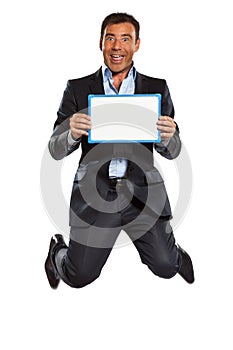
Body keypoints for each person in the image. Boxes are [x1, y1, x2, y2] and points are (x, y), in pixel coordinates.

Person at [45, 12, 194, 289]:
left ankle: (173, 255)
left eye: (125, 39)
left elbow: (172, 152)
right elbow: (55, 149)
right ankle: (56, 252)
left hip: (143, 195)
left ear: (136, 44)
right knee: (79, 277)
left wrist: (167, 137)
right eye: (110, 38)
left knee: (166, 267)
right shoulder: (77, 89)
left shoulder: (156, 88)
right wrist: (72, 132)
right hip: (96, 194)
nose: (117, 46)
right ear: (100, 42)